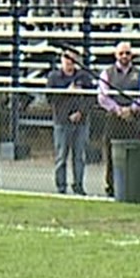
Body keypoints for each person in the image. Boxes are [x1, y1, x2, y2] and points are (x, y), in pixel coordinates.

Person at [96, 41, 140, 195]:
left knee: (134, 153)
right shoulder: (107, 73)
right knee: (111, 154)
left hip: (133, 119)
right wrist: (118, 109)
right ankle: (111, 187)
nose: (124, 56)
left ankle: (132, 186)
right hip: (113, 118)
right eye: (121, 53)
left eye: (127, 53)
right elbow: (102, 96)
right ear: (116, 55)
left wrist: (132, 109)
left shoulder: (139, 73)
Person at [47, 50, 91, 196]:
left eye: (73, 59)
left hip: (81, 122)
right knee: (61, 156)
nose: (70, 61)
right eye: (66, 58)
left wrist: (81, 112)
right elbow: (50, 99)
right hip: (62, 122)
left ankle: (78, 185)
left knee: (80, 156)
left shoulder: (83, 77)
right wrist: (66, 91)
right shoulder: (54, 77)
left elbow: (91, 98)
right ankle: (61, 186)